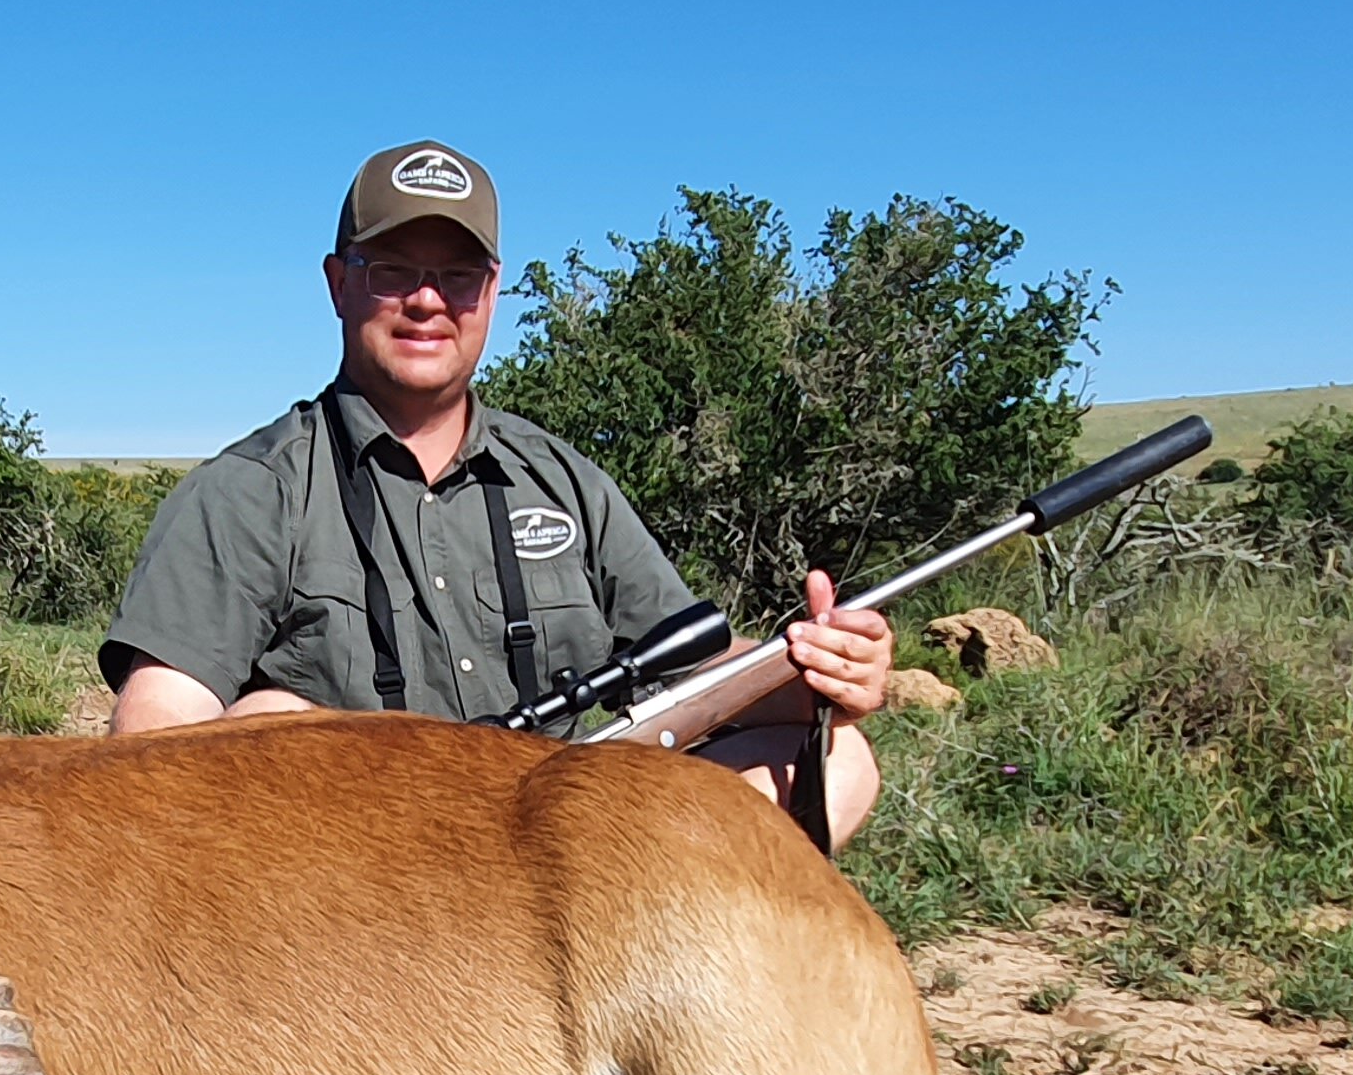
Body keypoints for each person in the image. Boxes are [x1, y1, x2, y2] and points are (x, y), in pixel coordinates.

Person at [99, 140, 895, 847]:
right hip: (349, 875)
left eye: (457, 275)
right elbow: (154, 730)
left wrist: (820, 673)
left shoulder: (562, 479)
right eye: (392, 272)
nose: (427, 300)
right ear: (338, 285)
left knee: (835, 758)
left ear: (493, 290)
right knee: (263, 726)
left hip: (559, 851)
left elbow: (695, 673)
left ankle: (651, 998)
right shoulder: (248, 491)